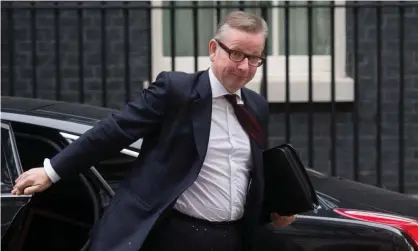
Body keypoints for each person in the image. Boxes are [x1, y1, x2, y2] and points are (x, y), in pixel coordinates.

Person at [12, 11, 295, 251]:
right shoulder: (177, 91)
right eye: (236, 54)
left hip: (231, 238)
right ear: (213, 49)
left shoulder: (256, 106)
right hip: (176, 235)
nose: (245, 66)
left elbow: (249, 171)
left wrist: (276, 207)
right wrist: (52, 171)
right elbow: (116, 130)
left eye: (254, 57)